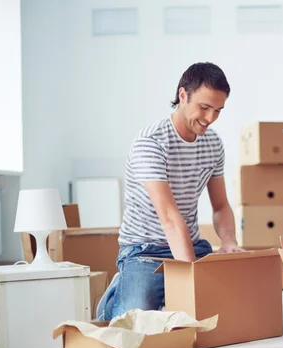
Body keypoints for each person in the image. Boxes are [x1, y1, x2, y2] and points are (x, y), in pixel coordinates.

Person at [97, 62, 244, 321]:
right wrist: (189, 280)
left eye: (218, 110)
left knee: (231, 307)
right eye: (205, 107)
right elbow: (169, 218)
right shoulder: (151, 143)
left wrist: (229, 242)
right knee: (138, 321)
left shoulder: (212, 143)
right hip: (144, 252)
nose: (210, 118)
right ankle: (115, 296)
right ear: (183, 95)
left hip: (192, 246)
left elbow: (220, 206)